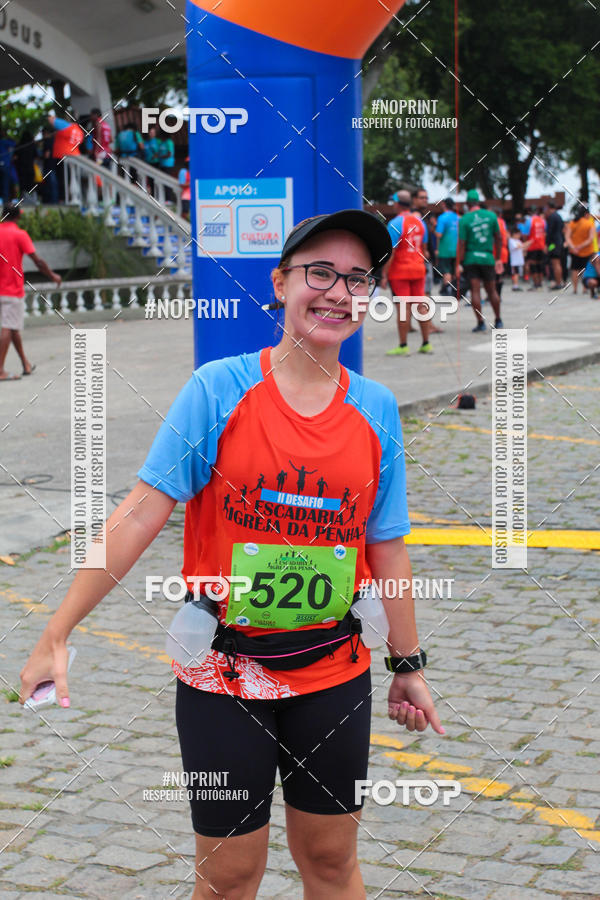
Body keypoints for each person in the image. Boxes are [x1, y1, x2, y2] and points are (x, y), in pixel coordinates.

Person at [20, 208, 443, 898]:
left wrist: (408, 665)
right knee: (228, 877)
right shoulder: (217, 391)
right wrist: (56, 629)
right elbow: (136, 515)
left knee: (332, 864)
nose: (338, 293)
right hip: (223, 677)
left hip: (334, 675)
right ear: (280, 284)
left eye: (357, 280)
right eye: (320, 273)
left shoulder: (378, 408)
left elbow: (387, 548)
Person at [0, 204, 62, 381]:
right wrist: (52, 275)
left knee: (13, 327)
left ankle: (25, 364)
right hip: (11, 289)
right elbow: (38, 262)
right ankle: (0, 370)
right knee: (8, 327)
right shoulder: (20, 235)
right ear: (18, 217)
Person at [381, 190, 432, 355]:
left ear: (397, 204)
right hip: (418, 269)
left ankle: (403, 346)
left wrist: (383, 274)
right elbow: (424, 249)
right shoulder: (420, 222)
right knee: (421, 306)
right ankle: (426, 343)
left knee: (403, 308)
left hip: (400, 271)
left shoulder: (395, 223)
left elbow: (392, 252)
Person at [457, 189, 504, 331]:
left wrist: (458, 262)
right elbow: (499, 238)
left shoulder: (464, 219)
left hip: (471, 259)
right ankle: (498, 320)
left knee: (475, 291)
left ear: (467, 203)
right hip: (488, 257)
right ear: (478, 202)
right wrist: (498, 258)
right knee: (492, 290)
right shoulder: (491, 216)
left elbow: (462, 243)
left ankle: (481, 323)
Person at [564, 202, 596, 294]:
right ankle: (585, 288)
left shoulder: (572, 223)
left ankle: (574, 289)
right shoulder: (589, 224)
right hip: (587, 251)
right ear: (586, 214)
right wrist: (580, 246)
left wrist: (573, 247)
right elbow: (590, 239)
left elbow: (567, 237)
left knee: (574, 269)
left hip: (574, 252)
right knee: (584, 269)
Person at [435, 197, 459, 296]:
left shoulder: (442, 217)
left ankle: (447, 291)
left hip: (445, 249)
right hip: (457, 249)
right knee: (454, 271)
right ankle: (454, 290)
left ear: (444, 205)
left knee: (446, 271)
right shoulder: (458, 217)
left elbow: (439, 234)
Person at [523, 207, 546, 290]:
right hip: (541, 245)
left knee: (533, 265)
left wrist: (525, 244)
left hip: (532, 246)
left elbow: (525, 234)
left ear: (529, 212)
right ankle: (540, 284)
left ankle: (536, 285)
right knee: (540, 265)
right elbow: (545, 232)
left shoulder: (529, 221)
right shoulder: (542, 221)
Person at [544, 202, 565, 289]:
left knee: (555, 263)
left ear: (549, 207)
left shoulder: (552, 217)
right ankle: (559, 281)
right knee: (557, 262)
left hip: (553, 243)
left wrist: (546, 244)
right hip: (559, 242)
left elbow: (550, 232)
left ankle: (558, 283)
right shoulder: (559, 216)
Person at [0, 127, 16, 204]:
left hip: (4, 165)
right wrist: (8, 137)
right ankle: (5, 201)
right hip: (5, 165)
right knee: (5, 183)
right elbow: (14, 144)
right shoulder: (5, 142)